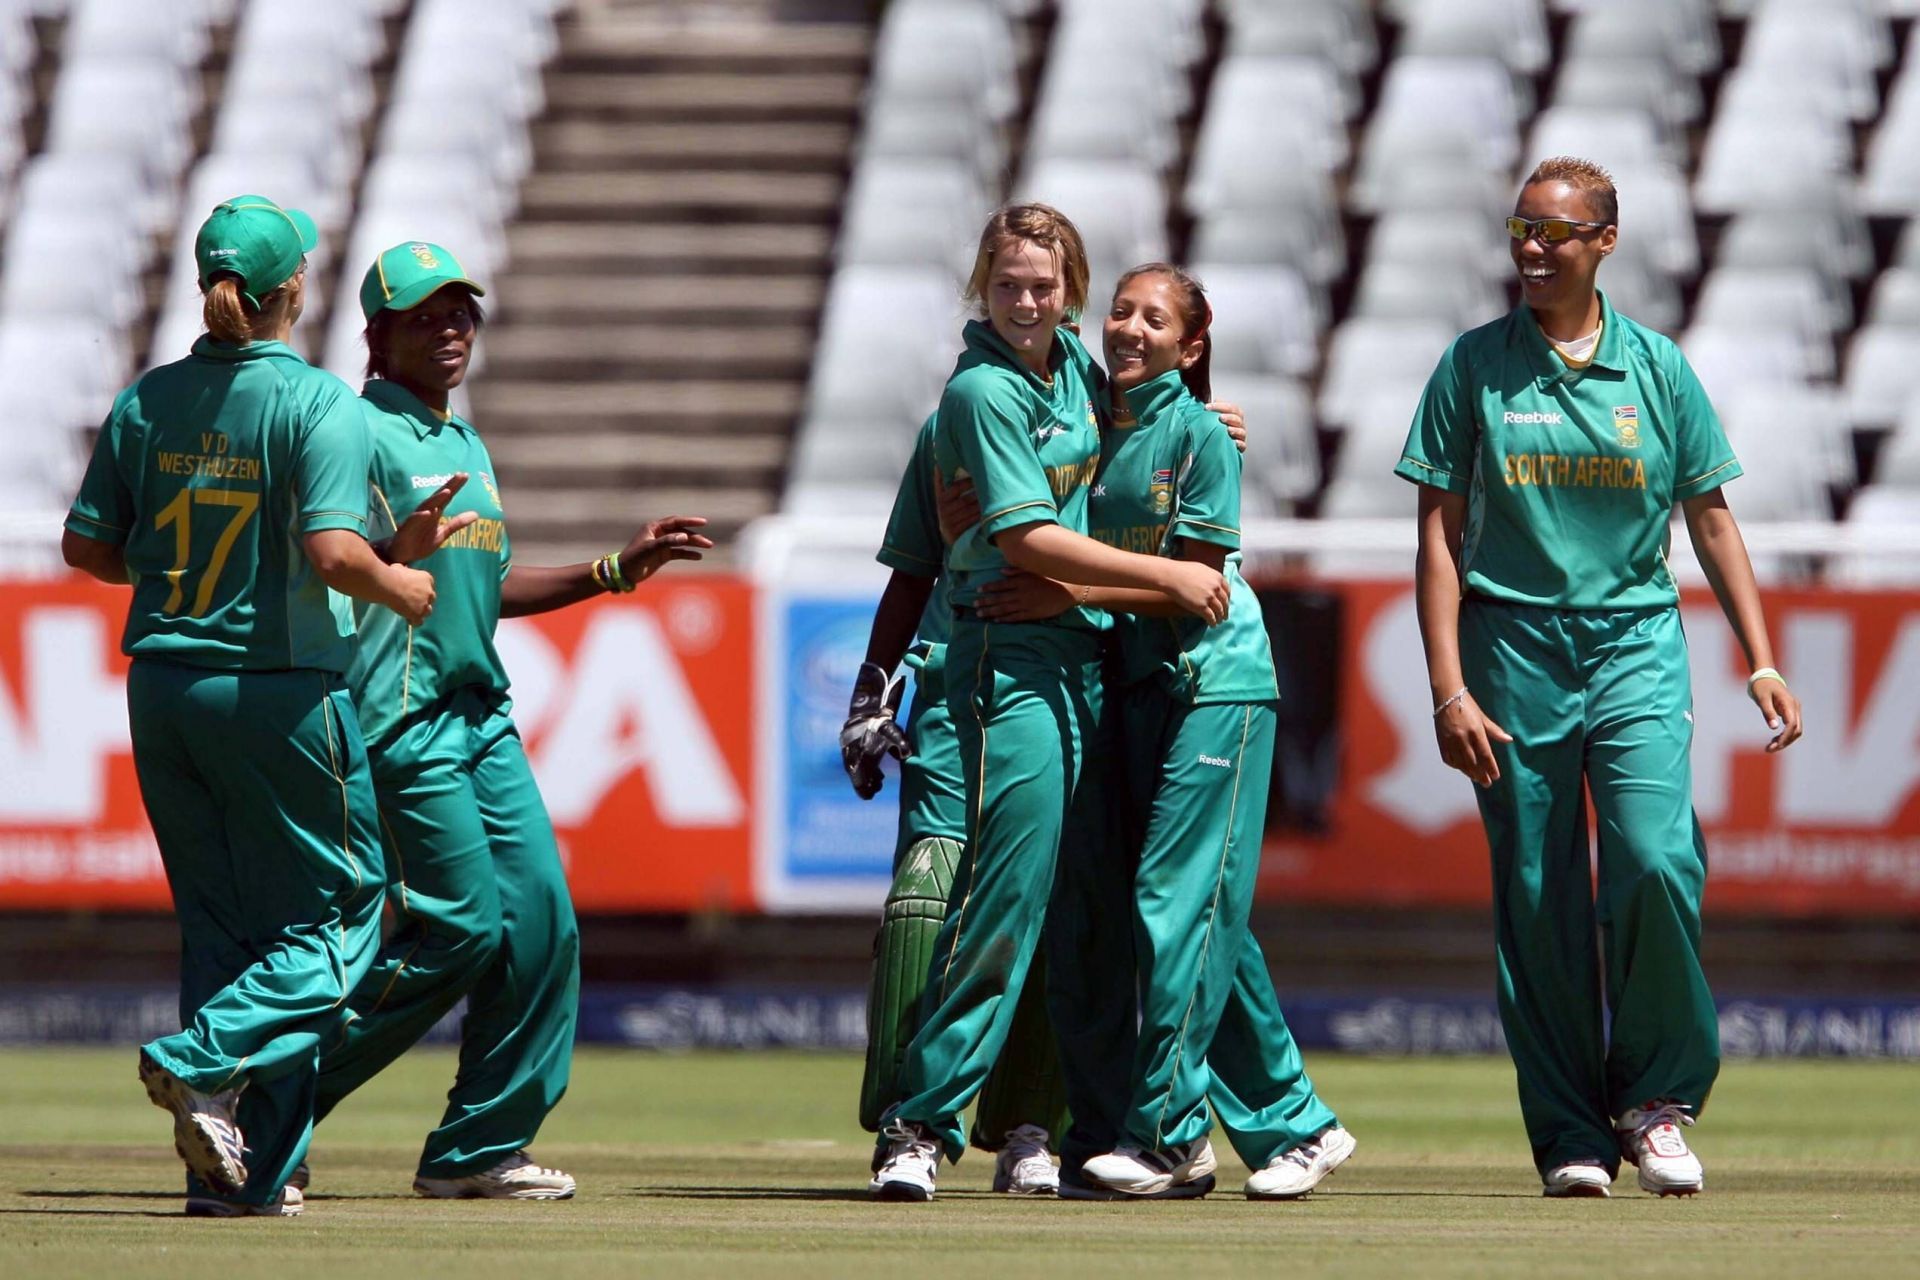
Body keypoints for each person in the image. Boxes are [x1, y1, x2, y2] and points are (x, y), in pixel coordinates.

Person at [1394, 157, 1803, 1198]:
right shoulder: (1473, 365)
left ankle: (1656, 1102)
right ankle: (1571, 1131)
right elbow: (1438, 538)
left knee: (1657, 859)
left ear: (1605, 242)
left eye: (1557, 233)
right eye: (1520, 228)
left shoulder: (1659, 369)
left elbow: (1710, 516)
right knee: (1537, 895)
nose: (1533, 248)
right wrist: (1447, 686)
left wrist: (1761, 655)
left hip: (1633, 645)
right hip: (1510, 651)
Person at [60, 196, 457, 1218]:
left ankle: (239, 1175)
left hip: (164, 687)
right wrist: (404, 583)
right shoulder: (316, 402)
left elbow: (89, 548)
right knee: (348, 911)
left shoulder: (150, 399)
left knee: (225, 931)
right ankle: (203, 1061)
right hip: (278, 691)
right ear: (295, 291)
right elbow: (332, 552)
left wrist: (182, 573)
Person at [301, 241, 712, 1200]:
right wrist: (383, 550)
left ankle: (478, 1149)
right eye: (424, 317)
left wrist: (611, 570)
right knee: (460, 928)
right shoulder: (354, 432)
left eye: (461, 314)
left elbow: (481, 589)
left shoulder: (464, 444)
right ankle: (271, 1091)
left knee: (541, 928)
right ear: (376, 336)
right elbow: (336, 559)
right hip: (400, 717)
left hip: (481, 717)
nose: (450, 331)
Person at [945, 265, 1352, 1201]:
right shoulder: (1083, 415)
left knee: (1178, 902)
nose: (1128, 329)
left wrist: (1067, 588)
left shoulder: (1202, 433)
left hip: (1216, 683)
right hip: (1124, 684)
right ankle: (1293, 1122)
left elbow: (1201, 584)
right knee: (1161, 916)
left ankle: (1168, 1134)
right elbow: (1011, 480)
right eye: (1120, 311)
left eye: (1154, 319)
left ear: (1191, 345)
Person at [866, 204, 1229, 1202]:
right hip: (1005, 665)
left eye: (1044, 285)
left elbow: (1149, 419)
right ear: (981, 289)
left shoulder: (1073, 369)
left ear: (1070, 290)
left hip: (1083, 663)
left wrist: (1207, 415)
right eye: (1008, 285)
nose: (1027, 302)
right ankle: (920, 1120)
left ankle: (1031, 1119)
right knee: (999, 897)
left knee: (1070, 912)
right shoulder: (983, 389)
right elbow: (1023, 539)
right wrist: (1159, 580)